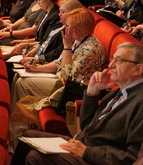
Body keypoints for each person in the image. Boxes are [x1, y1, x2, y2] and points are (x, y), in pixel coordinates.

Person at [2, 42, 143, 165]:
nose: (111, 65)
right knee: (27, 137)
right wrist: (92, 92)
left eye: (119, 60)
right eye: (112, 59)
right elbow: (89, 125)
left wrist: (86, 152)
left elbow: (131, 158)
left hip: (96, 162)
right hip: (84, 146)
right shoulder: (121, 90)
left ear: (138, 69)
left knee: (36, 159)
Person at [9, 8, 107, 144]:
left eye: (67, 26)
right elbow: (58, 62)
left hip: (69, 88)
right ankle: (14, 125)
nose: (64, 28)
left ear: (78, 28)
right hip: (59, 79)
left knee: (22, 84)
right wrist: (36, 68)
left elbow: (67, 76)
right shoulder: (77, 39)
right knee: (18, 77)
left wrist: (66, 47)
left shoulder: (91, 48)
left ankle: (17, 132)